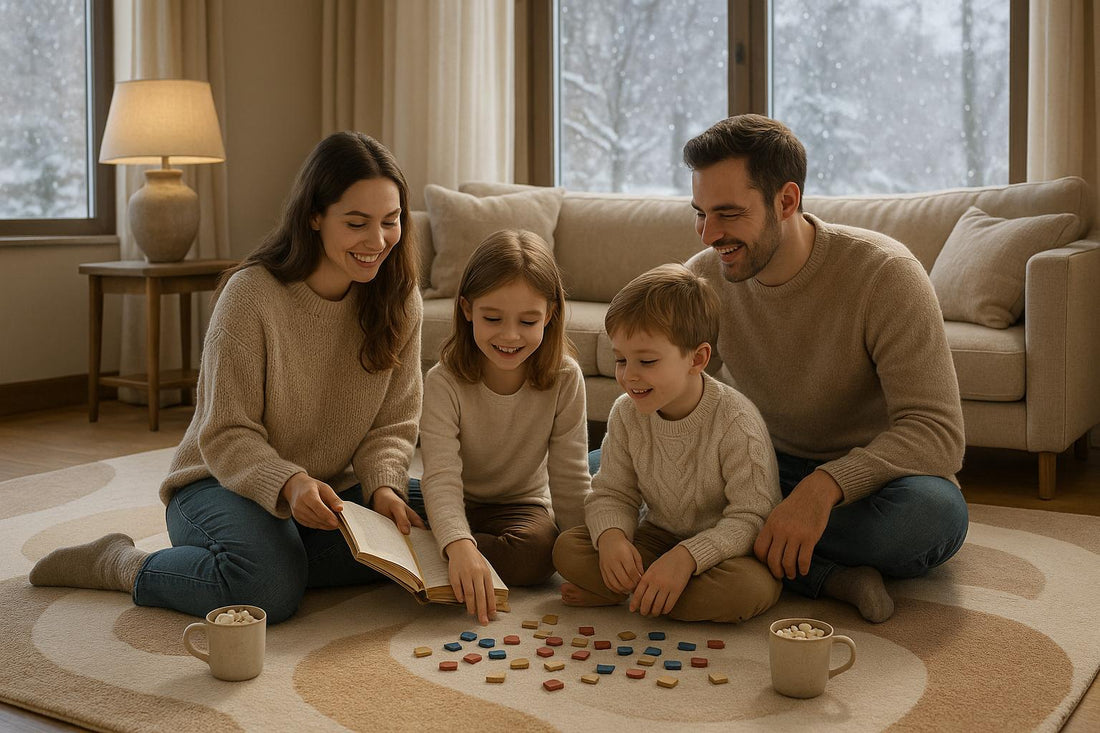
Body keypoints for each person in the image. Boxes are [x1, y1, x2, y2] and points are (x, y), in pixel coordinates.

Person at [29, 132, 425, 624]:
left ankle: (281, 557)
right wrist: (291, 483)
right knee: (269, 590)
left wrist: (384, 487)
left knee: (444, 515)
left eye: (391, 222)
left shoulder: (400, 301)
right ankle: (122, 563)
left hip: (326, 493)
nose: (378, 241)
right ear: (314, 216)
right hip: (219, 484)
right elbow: (225, 433)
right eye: (357, 223)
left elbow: (392, 425)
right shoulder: (252, 295)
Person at [683, 114, 969, 622]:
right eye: (699, 213)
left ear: (787, 201)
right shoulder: (704, 279)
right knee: (605, 467)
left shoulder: (884, 274)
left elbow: (937, 434)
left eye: (727, 214)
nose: (709, 235)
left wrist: (823, 488)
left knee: (931, 518)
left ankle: (735, 538)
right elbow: (673, 393)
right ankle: (826, 576)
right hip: (751, 461)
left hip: (865, 485)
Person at [553, 264, 782, 623]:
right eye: (620, 359)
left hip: (722, 552)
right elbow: (612, 493)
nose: (629, 375)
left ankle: (635, 593)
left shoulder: (736, 421)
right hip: (656, 537)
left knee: (749, 590)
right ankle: (651, 592)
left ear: (698, 358)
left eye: (646, 361)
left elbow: (751, 518)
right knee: (568, 548)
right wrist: (612, 538)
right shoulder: (627, 413)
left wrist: (687, 558)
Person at [415, 229, 591, 626]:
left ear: (549, 315)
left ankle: (441, 550)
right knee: (391, 512)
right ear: (466, 309)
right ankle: (453, 546)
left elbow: (569, 477)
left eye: (528, 320)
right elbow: (440, 477)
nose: (510, 336)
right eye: (492, 318)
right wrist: (460, 543)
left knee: (537, 554)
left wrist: (586, 555)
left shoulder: (565, 377)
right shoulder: (445, 381)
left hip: (521, 505)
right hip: (460, 495)